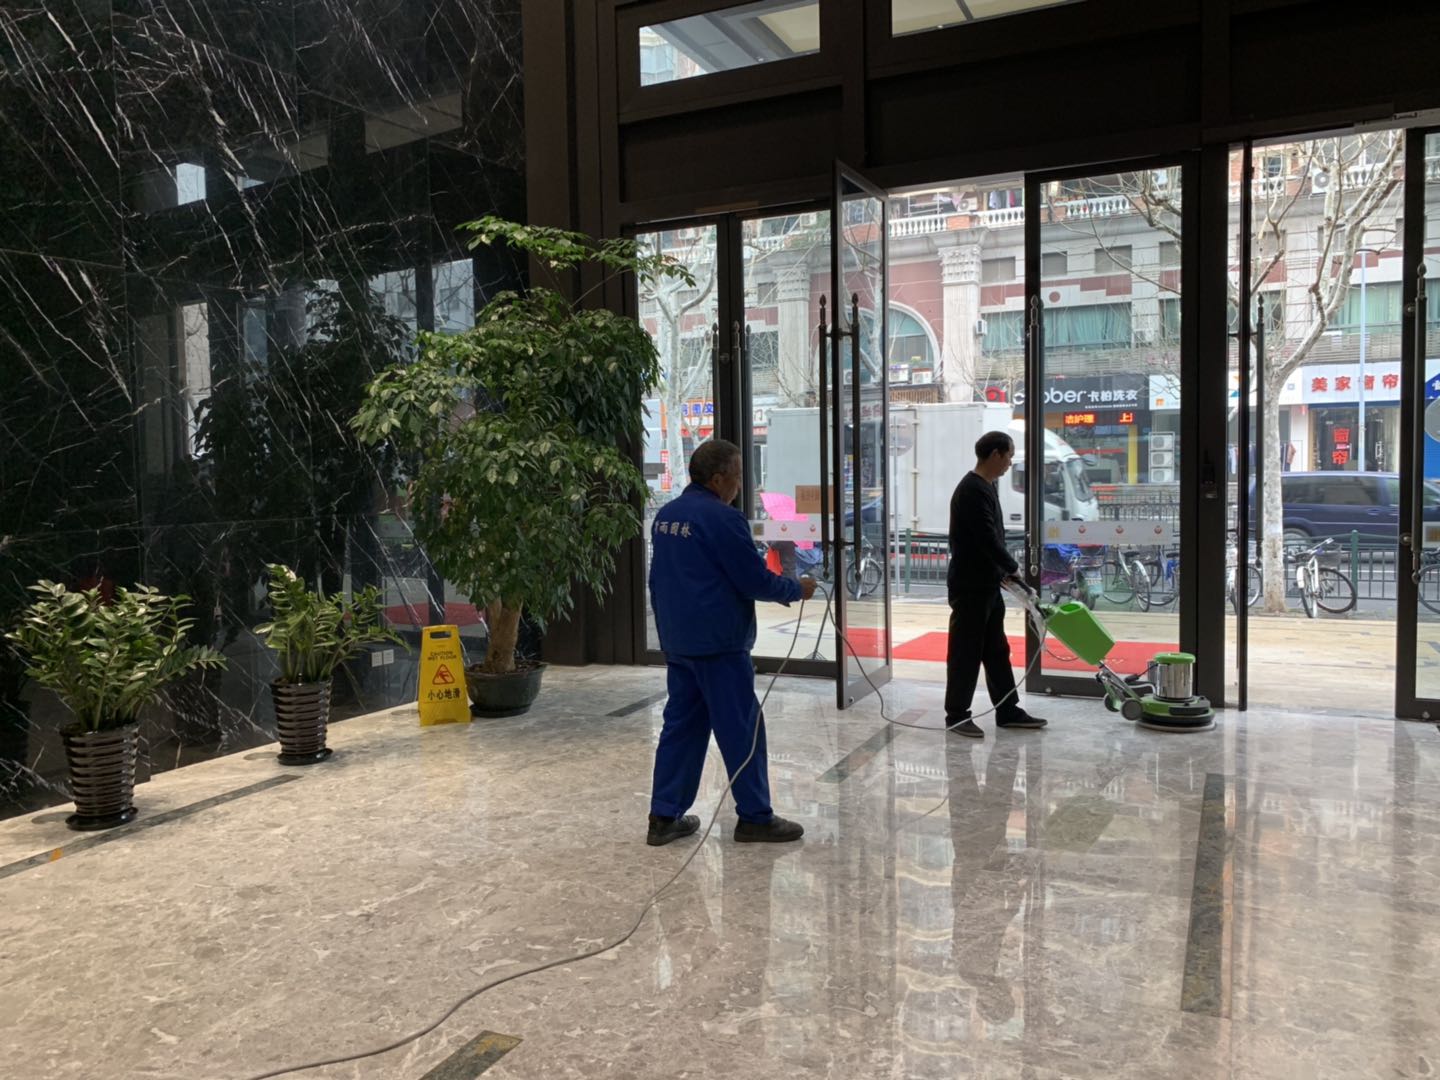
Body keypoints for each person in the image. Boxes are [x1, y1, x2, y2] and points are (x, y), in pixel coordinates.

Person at [646, 439, 817, 847]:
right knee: (742, 728)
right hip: (719, 644)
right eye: (738, 477)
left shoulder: (667, 516)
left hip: (679, 641)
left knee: (681, 727)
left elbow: (660, 578)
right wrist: (796, 589)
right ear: (718, 478)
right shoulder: (723, 519)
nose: (740, 486)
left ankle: (663, 816)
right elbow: (752, 579)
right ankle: (756, 817)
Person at [945, 430, 1047, 738]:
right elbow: (986, 538)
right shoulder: (972, 490)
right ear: (994, 455)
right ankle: (957, 715)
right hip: (970, 588)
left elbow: (990, 540)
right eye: (1009, 456)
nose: (1010, 463)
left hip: (988, 585)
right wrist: (1013, 567)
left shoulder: (985, 487)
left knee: (996, 651)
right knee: (966, 653)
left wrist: (1004, 573)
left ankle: (1007, 710)